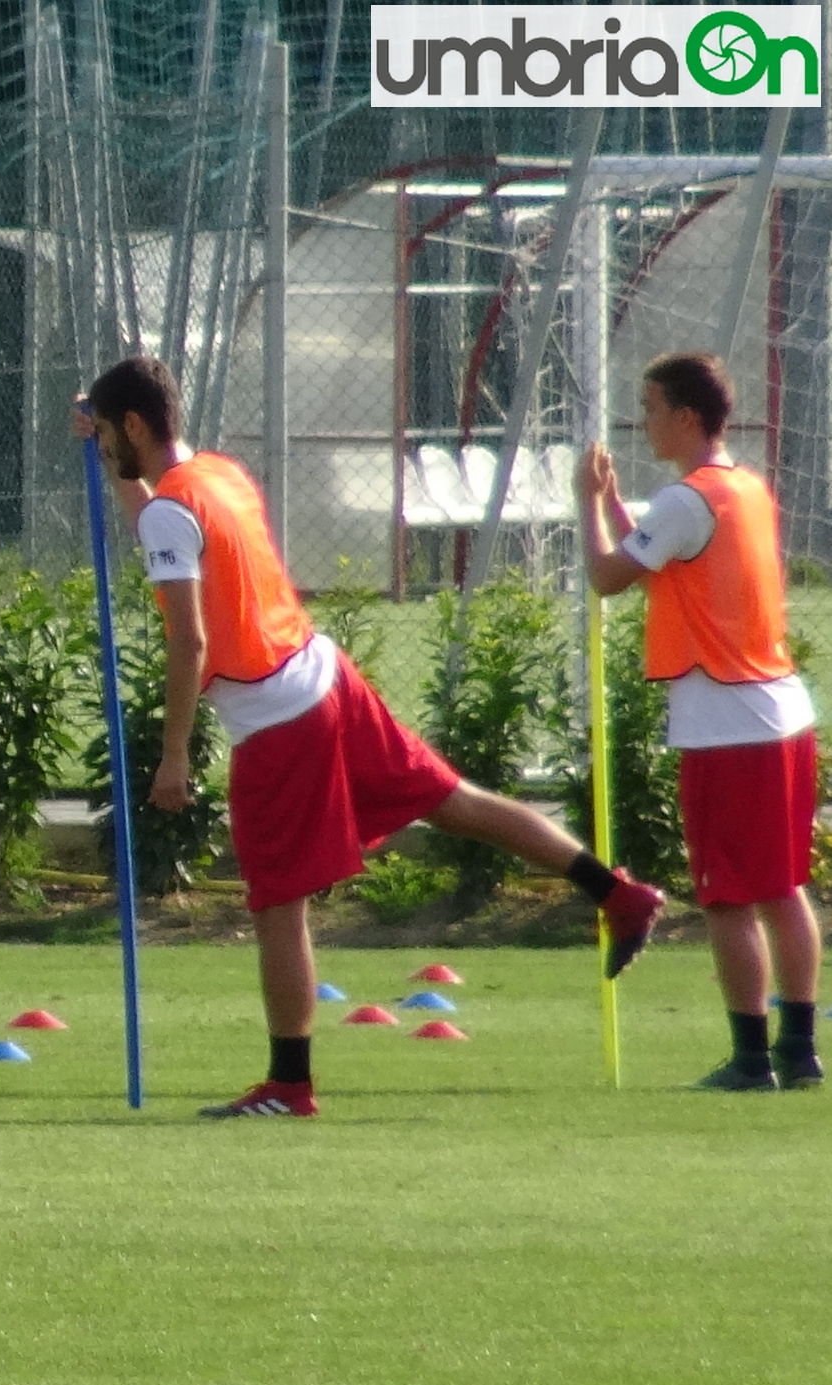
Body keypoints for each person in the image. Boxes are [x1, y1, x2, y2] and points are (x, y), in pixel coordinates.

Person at [77, 355, 666, 1119]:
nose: (100, 450)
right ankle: (613, 890)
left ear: (132, 425)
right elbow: (158, 523)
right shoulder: (214, 475)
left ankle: (289, 1084)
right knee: (452, 800)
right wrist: (120, 474)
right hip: (325, 674)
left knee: (276, 904)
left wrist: (174, 755)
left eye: (104, 437)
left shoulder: (168, 509)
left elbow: (188, 641)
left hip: (277, 715)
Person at [580, 351, 821, 1091]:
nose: (641, 421)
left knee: (725, 897)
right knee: (783, 889)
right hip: (779, 707)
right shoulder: (739, 488)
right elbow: (660, 558)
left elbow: (607, 576)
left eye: (649, 406)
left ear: (686, 416)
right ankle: (797, 1049)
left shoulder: (686, 500)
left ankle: (750, 1056)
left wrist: (585, 503)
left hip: (726, 722)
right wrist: (622, 508)